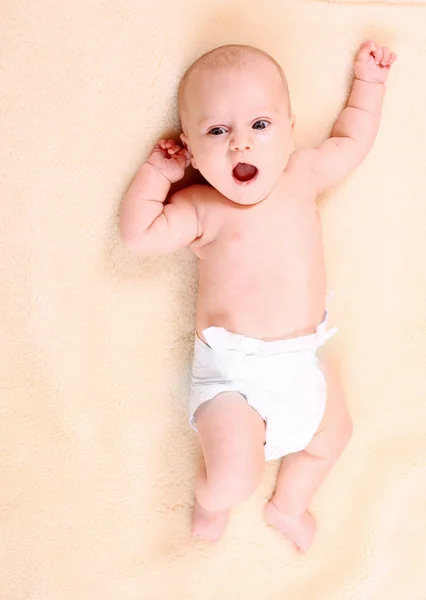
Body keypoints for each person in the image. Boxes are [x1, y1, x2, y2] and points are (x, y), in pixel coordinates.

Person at [119, 41, 397, 551]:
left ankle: (288, 504)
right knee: (233, 478)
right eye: (217, 131)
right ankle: (211, 501)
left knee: (333, 437)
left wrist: (370, 84)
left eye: (260, 126)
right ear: (191, 149)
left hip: (302, 364)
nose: (240, 145)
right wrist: (158, 174)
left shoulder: (303, 174)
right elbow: (139, 237)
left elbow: (352, 141)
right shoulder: (201, 206)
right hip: (234, 378)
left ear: (290, 129)